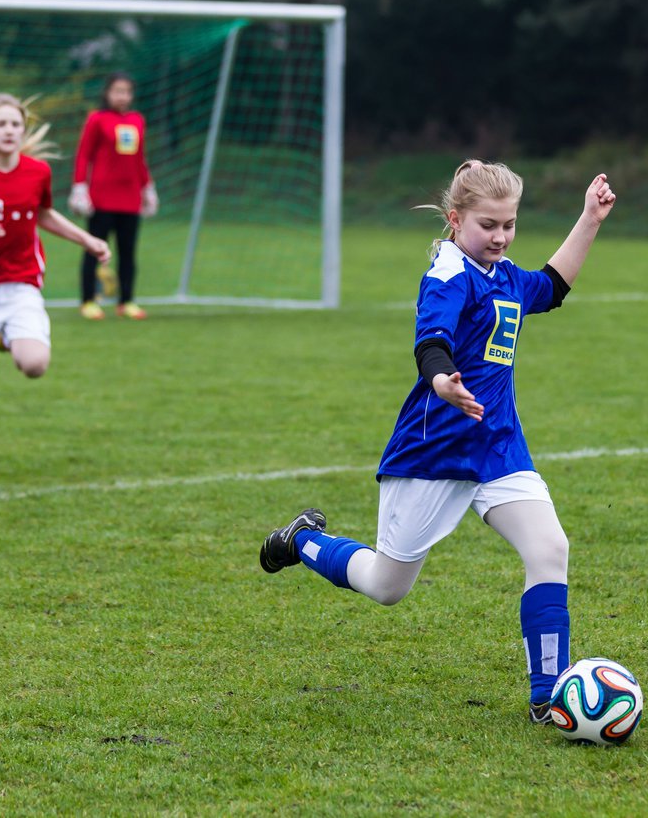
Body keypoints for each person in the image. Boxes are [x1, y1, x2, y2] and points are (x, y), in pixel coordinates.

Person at [259, 160, 616, 723]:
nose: (500, 236)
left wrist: (590, 218)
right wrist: (442, 379)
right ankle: (302, 540)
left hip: (498, 447)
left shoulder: (502, 274)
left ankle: (548, 697)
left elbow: (550, 287)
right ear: (455, 220)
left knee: (550, 551)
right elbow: (432, 338)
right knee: (386, 586)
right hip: (435, 451)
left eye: (510, 225)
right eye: (488, 225)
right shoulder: (449, 274)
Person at [0, 93, 111, 481]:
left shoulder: (37, 172)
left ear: (23, 131)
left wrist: (88, 240)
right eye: (0, 124)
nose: (9, 130)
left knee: (35, 364)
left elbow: (44, 215)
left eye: (15, 124)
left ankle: (8, 335)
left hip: (21, 284)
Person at [70, 72, 158, 320]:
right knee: (93, 249)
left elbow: (139, 158)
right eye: (117, 91)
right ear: (107, 93)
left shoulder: (137, 120)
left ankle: (126, 301)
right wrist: (80, 187)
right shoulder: (97, 119)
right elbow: (83, 155)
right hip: (102, 197)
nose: (122, 96)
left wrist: (147, 187)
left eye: (127, 92)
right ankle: (88, 300)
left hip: (130, 198)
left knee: (128, 252)